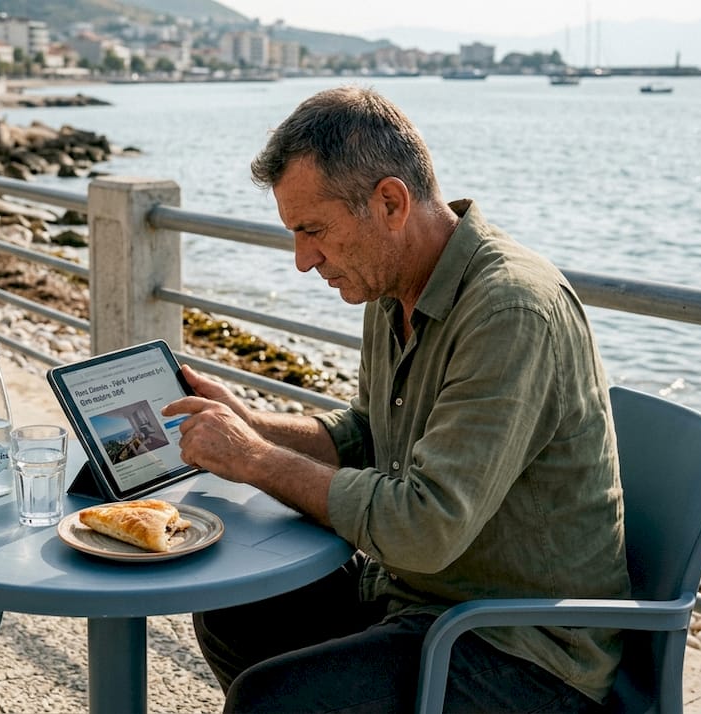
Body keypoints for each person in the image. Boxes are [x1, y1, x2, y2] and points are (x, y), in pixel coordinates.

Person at [162, 86, 631, 713]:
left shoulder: (511, 310)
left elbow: (424, 526)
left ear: (389, 202)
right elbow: (367, 433)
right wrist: (254, 426)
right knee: (234, 609)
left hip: (522, 648)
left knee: (271, 700)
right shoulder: (391, 286)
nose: (304, 261)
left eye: (313, 231)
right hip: (417, 599)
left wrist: (254, 459)